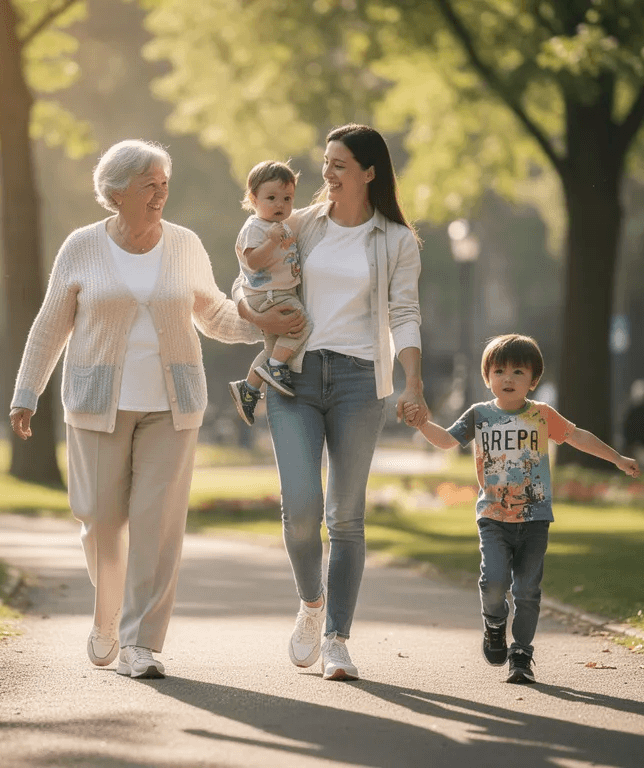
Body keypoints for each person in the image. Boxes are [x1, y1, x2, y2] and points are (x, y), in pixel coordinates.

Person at [9, 139, 267, 680]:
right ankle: (107, 618)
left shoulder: (184, 244)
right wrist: (26, 392)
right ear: (117, 192)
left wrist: (265, 325)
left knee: (157, 525)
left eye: (164, 184)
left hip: (173, 406)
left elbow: (215, 313)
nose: (160, 194)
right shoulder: (81, 247)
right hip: (98, 403)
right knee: (101, 519)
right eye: (149, 185)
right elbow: (51, 323)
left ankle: (140, 643)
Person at [235, 124, 429, 681]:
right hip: (295, 376)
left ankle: (338, 639)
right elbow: (247, 274)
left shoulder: (396, 240)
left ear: (369, 172)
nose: (327, 173)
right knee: (300, 509)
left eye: (339, 163)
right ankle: (311, 606)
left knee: (345, 517)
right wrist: (255, 317)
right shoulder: (302, 223)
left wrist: (412, 382)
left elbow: (406, 313)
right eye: (326, 162)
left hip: (358, 382)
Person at [404, 334, 639, 684]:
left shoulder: (542, 415)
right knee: (494, 582)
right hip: (494, 518)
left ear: (533, 380)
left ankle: (522, 654)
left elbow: (579, 437)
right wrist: (422, 424)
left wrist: (617, 459)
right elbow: (446, 441)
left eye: (518, 371)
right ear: (488, 378)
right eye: (499, 371)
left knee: (528, 589)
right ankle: (495, 623)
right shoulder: (479, 415)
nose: (508, 378)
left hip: (535, 518)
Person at [227, 160, 311, 426]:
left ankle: (249, 389)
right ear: (253, 199)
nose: (280, 205)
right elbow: (253, 262)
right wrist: (272, 241)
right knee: (301, 325)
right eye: (271, 198)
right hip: (270, 295)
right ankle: (275, 369)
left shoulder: (281, 225)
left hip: (274, 293)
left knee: (274, 348)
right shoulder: (256, 227)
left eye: (287, 199)